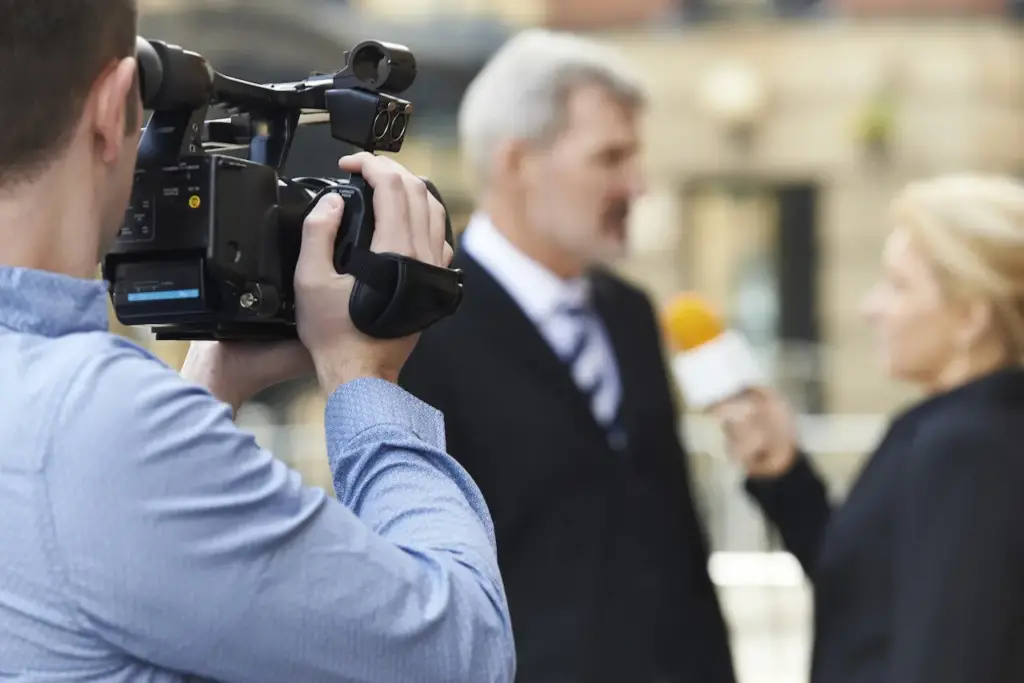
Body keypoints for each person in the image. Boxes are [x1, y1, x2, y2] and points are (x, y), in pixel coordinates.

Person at [0, 2, 514, 682]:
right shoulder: (91, 422)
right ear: (114, 104)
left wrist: (213, 382)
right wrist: (365, 379)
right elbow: (460, 651)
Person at [398, 30, 736, 683]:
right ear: (517, 163)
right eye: (610, 158)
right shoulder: (420, 328)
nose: (636, 186)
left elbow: (675, 536)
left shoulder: (630, 312)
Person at [716, 174, 1024, 683]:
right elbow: (869, 598)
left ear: (970, 316)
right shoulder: (953, 427)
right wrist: (786, 476)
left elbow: (949, 658)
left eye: (898, 285)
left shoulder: (968, 448)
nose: (870, 308)